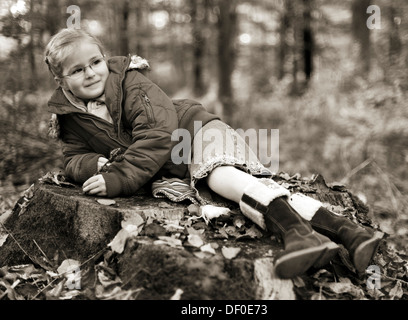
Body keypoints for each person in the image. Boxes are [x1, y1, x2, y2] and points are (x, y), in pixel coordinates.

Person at [44, 28, 382, 279]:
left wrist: (117, 177)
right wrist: (92, 164)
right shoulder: (70, 118)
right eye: (77, 70)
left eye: (95, 62)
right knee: (239, 189)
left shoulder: (131, 84)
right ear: (61, 81)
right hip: (182, 163)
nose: (90, 73)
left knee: (222, 176)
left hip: (196, 132)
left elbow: (157, 135)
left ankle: (298, 234)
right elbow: (71, 156)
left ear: (105, 60)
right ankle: (347, 231)